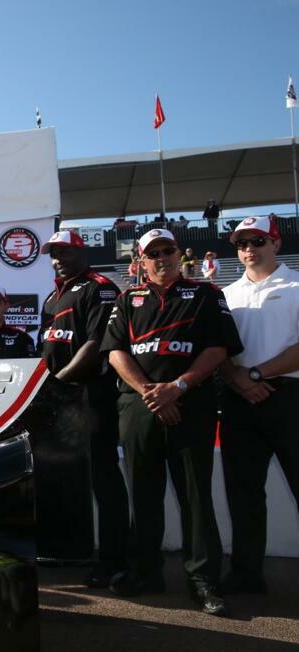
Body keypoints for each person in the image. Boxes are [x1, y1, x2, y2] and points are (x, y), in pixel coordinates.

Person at [101, 228, 242, 616]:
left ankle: (203, 580)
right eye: (153, 253)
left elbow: (217, 349)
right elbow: (115, 353)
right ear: (141, 262)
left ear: (179, 254)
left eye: (168, 250)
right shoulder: (129, 298)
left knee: (195, 497)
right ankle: (145, 572)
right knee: (143, 495)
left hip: (190, 408)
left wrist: (176, 387)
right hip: (138, 407)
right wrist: (152, 392)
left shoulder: (206, 295)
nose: (162, 258)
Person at [38, 230, 130, 588]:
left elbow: (96, 344)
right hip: (59, 401)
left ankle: (115, 560)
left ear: (82, 252)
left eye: (64, 252)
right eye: (53, 253)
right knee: (67, 477)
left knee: (103, 478)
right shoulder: (52, 296)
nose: (57, 259)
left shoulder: (99, 287)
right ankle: (69, 550)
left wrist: (59, 382)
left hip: (92, 397)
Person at [218, 215, 299, 594]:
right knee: (244, 492)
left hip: (289, 398)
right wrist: (239, 380)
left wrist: (254, 376)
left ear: (276, 244)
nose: (249, 249)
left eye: (258, 241)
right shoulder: (226, 293)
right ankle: (246, 576)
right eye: (241, 243)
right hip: (239, 401)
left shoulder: (298, 285)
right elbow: (218, 349)